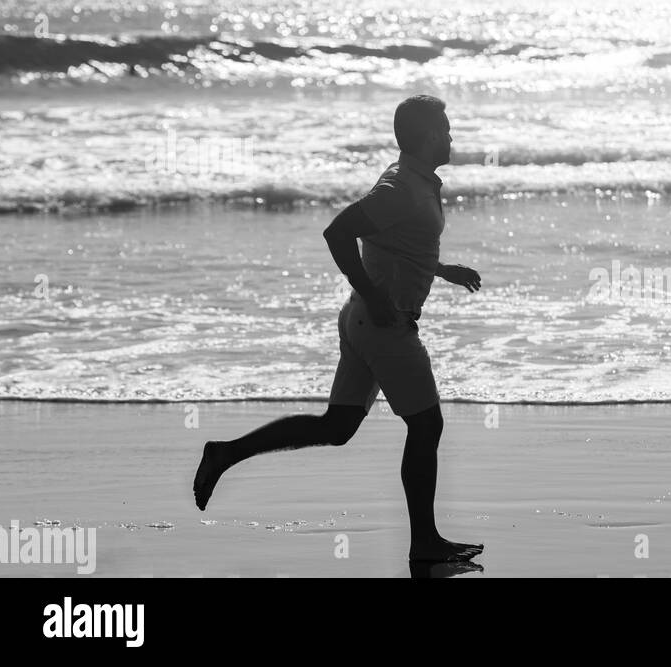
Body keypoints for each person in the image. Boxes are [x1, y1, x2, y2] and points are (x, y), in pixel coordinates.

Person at [193, 95, 484, 563]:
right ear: (427, 136)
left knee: (338, 426)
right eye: (445, 129)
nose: (451, 136)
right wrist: (372, 292)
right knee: (426, 426)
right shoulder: (400, 188)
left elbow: (396, 243)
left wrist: (440, 268)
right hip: (384, 326)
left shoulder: (415, 183)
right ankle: (425, 544)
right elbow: (338, 232)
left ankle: (226, 453)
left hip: (363, 322)